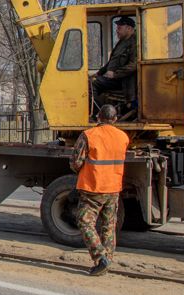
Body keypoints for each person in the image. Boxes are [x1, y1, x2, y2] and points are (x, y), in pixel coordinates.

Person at [70, 104, 130, 276]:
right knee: (109, 225)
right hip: (113, 187)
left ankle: (100, 256)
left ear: (98, 117)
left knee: (84, 221)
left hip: (93, 186)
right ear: (115, 119)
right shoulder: (123, 137)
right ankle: (107, 261)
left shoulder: (89, 135)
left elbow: (76, 162)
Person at [92, 17, 137, 107]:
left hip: (124, 81)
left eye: (119, 28)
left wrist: (115, 74)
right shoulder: (121, 42)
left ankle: (100, 113)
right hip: (113, 79)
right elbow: (112, 61)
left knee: (92, 84)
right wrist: (99, 73)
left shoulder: (135, 43)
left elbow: (134, 65)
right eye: (117, 28)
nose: (117, 30)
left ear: (129, 29)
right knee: (90, 81)